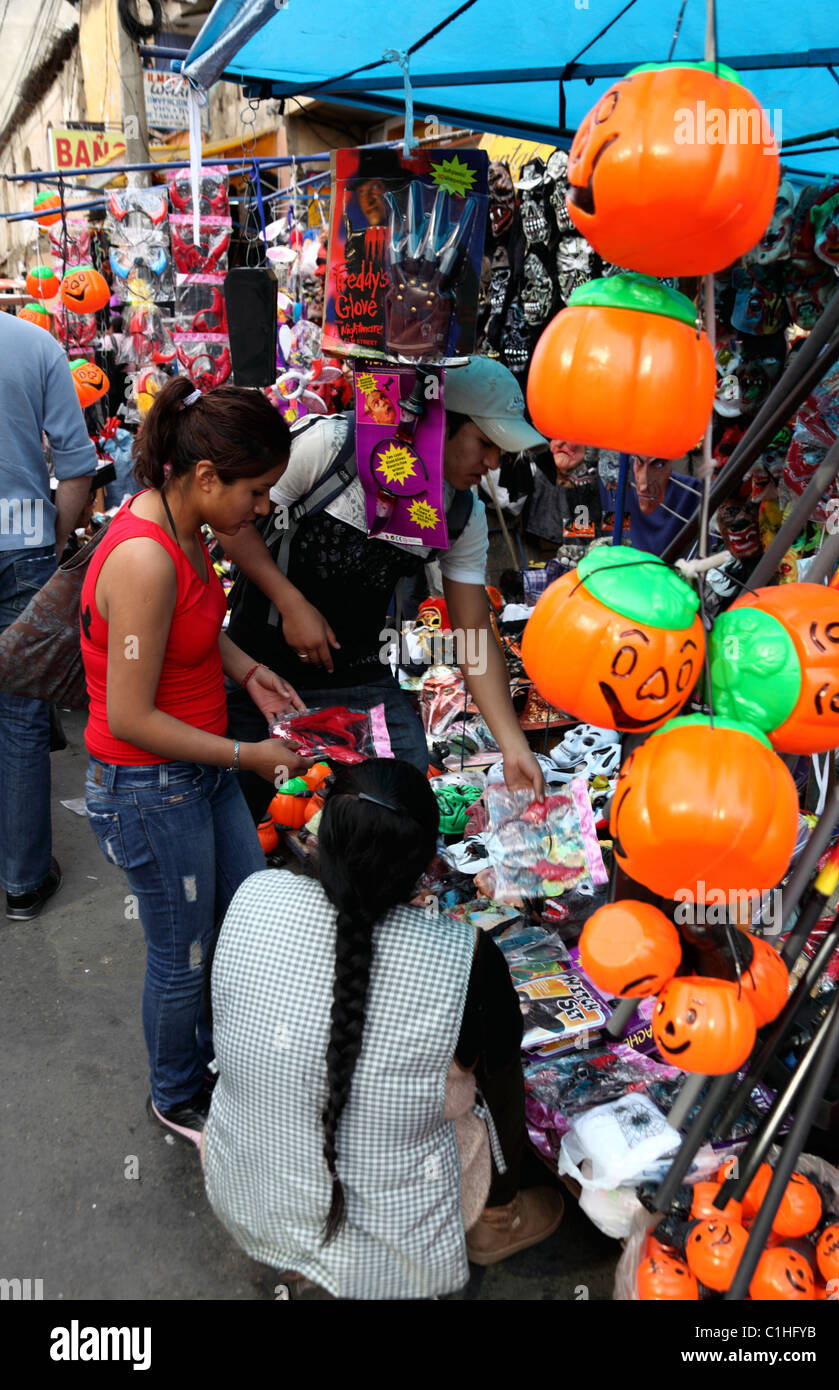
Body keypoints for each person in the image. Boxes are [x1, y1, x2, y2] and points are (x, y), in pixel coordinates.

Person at [203, 758, 564, 1300]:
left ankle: (299, 1256)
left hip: (246, 1194)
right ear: (426, 865)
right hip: (396, 1251)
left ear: (322, 831)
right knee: (493, 1076)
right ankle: (498, 1217)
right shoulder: (463, 956)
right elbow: (501, 1058)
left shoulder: (254, 894)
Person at [80, 377, 313, 1146]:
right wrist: (250, 755)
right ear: (207, 478)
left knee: (242, 925)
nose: (261, 510)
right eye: (256, 492)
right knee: (182, 954)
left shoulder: (182, 528)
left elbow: (193, 629)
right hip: (151, 790)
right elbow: (130, 716)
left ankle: (219, 1059)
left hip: (198, 776)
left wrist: (247, 670)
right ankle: (175, 1094)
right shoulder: (145, 557)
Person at [220, 357, 549, 824]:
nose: (493, 462)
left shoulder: (463, 515)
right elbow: (230, 522)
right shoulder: (331, 447)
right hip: (258, 673)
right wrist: (289, 602)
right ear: (439, 422)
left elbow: (473, 632)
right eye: (484, 442)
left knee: (399, 812)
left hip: (359, 677)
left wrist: (513, 745)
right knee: (251, 816)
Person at [0, 312, 97, 920]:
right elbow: (76, 463)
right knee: (21, 721)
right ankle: (24, 881)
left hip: (28, 546)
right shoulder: (35, 344)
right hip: (23, 543)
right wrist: (55, 538)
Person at [598, 453, 701, 556]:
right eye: (639, 463)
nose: (644, 486)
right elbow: (590, 528)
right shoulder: (607, 482)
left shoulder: (692, 492)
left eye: (658, 465)